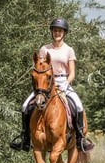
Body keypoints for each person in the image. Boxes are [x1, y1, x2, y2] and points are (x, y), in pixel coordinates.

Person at [10, 17, 94, 152]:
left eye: (60, 31)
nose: (57, 33)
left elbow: (72, 73)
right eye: (55, 30)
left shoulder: (69, 50)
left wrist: (66, 84)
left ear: (64, 33)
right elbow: (39, 67)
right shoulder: (44, 49)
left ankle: (80, 138)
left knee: (78, 105)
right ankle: (25, 139)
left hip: (63, 82)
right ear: (52, 32)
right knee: (25, 106)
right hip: (44, 85)